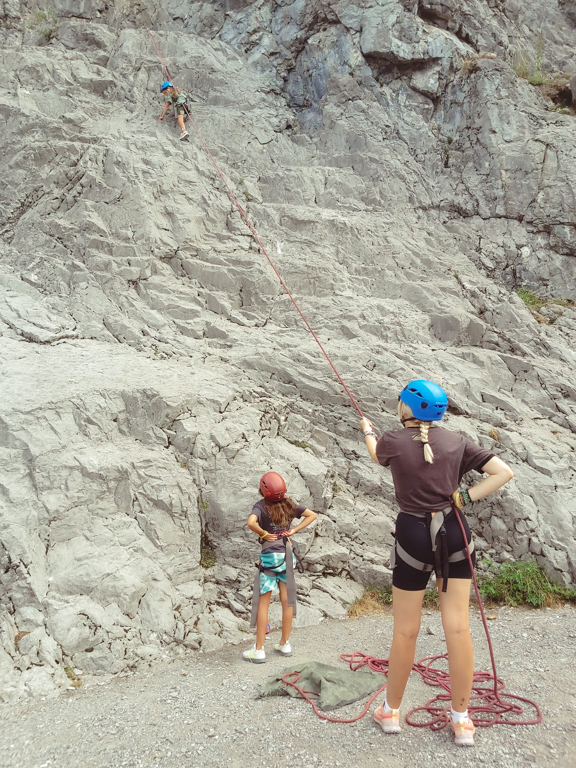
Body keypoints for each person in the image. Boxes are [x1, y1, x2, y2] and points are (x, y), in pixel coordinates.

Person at [360, 379, 514, 747]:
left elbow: (374, 454)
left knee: (406, 630)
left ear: (408, 408)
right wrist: (464, 497)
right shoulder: (457, 441)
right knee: (458, 628)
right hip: (454, 530)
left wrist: (367, 431)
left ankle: (391, 712)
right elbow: (504, 472)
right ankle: (462, 721)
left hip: (413, 532)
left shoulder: (393, 441)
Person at [243, 471, 317, 663]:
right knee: (287, 601)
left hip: (269, 559)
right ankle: (284, 643)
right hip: (287, 556)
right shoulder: (288, 505)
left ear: (263, 489)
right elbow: (312, 515)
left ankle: (259, 649)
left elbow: (251, 522)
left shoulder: (260, 507)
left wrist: (264, 533)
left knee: (263, 604)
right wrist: (294, 530)